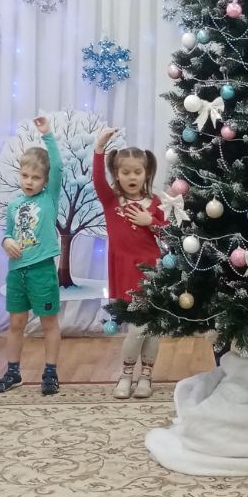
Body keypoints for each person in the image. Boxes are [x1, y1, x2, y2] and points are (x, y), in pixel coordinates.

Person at [0, 115, 64, 395]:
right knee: (15, 323)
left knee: (49, 323)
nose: (29, 181)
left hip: (41, 270)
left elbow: (58, 165)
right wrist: (6, 241)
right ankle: (13, 372)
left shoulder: (49, 198)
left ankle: (50, 372)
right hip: (16, 272)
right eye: (25, 176)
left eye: (36, 177)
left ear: (46, 180)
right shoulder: (14, 205)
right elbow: (9, 233)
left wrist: (47, 134)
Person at [93, 128, 166, 399]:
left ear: (146, 173)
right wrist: (99, 148)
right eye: (126, 172)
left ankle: (145, 377)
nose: (132, 177)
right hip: (125, 271)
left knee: (150, 329)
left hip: (153, 271)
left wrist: (151, 222)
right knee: (138, 328)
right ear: (117, 174)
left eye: (137, 172)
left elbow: (168, 233)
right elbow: (97, 178)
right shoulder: (112, 201)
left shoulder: (155, 202)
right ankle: (125, 376)